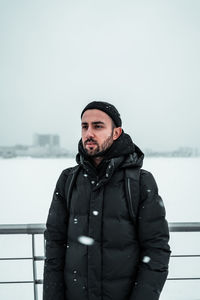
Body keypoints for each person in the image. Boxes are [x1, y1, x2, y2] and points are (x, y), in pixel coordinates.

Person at [43, 101, 171, 300]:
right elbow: (54, 246)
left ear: (116, 133)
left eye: (98, 126)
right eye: (85, 126)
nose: (89, 133)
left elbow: (156, 250)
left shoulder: (139, 181)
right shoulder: (68, 180)